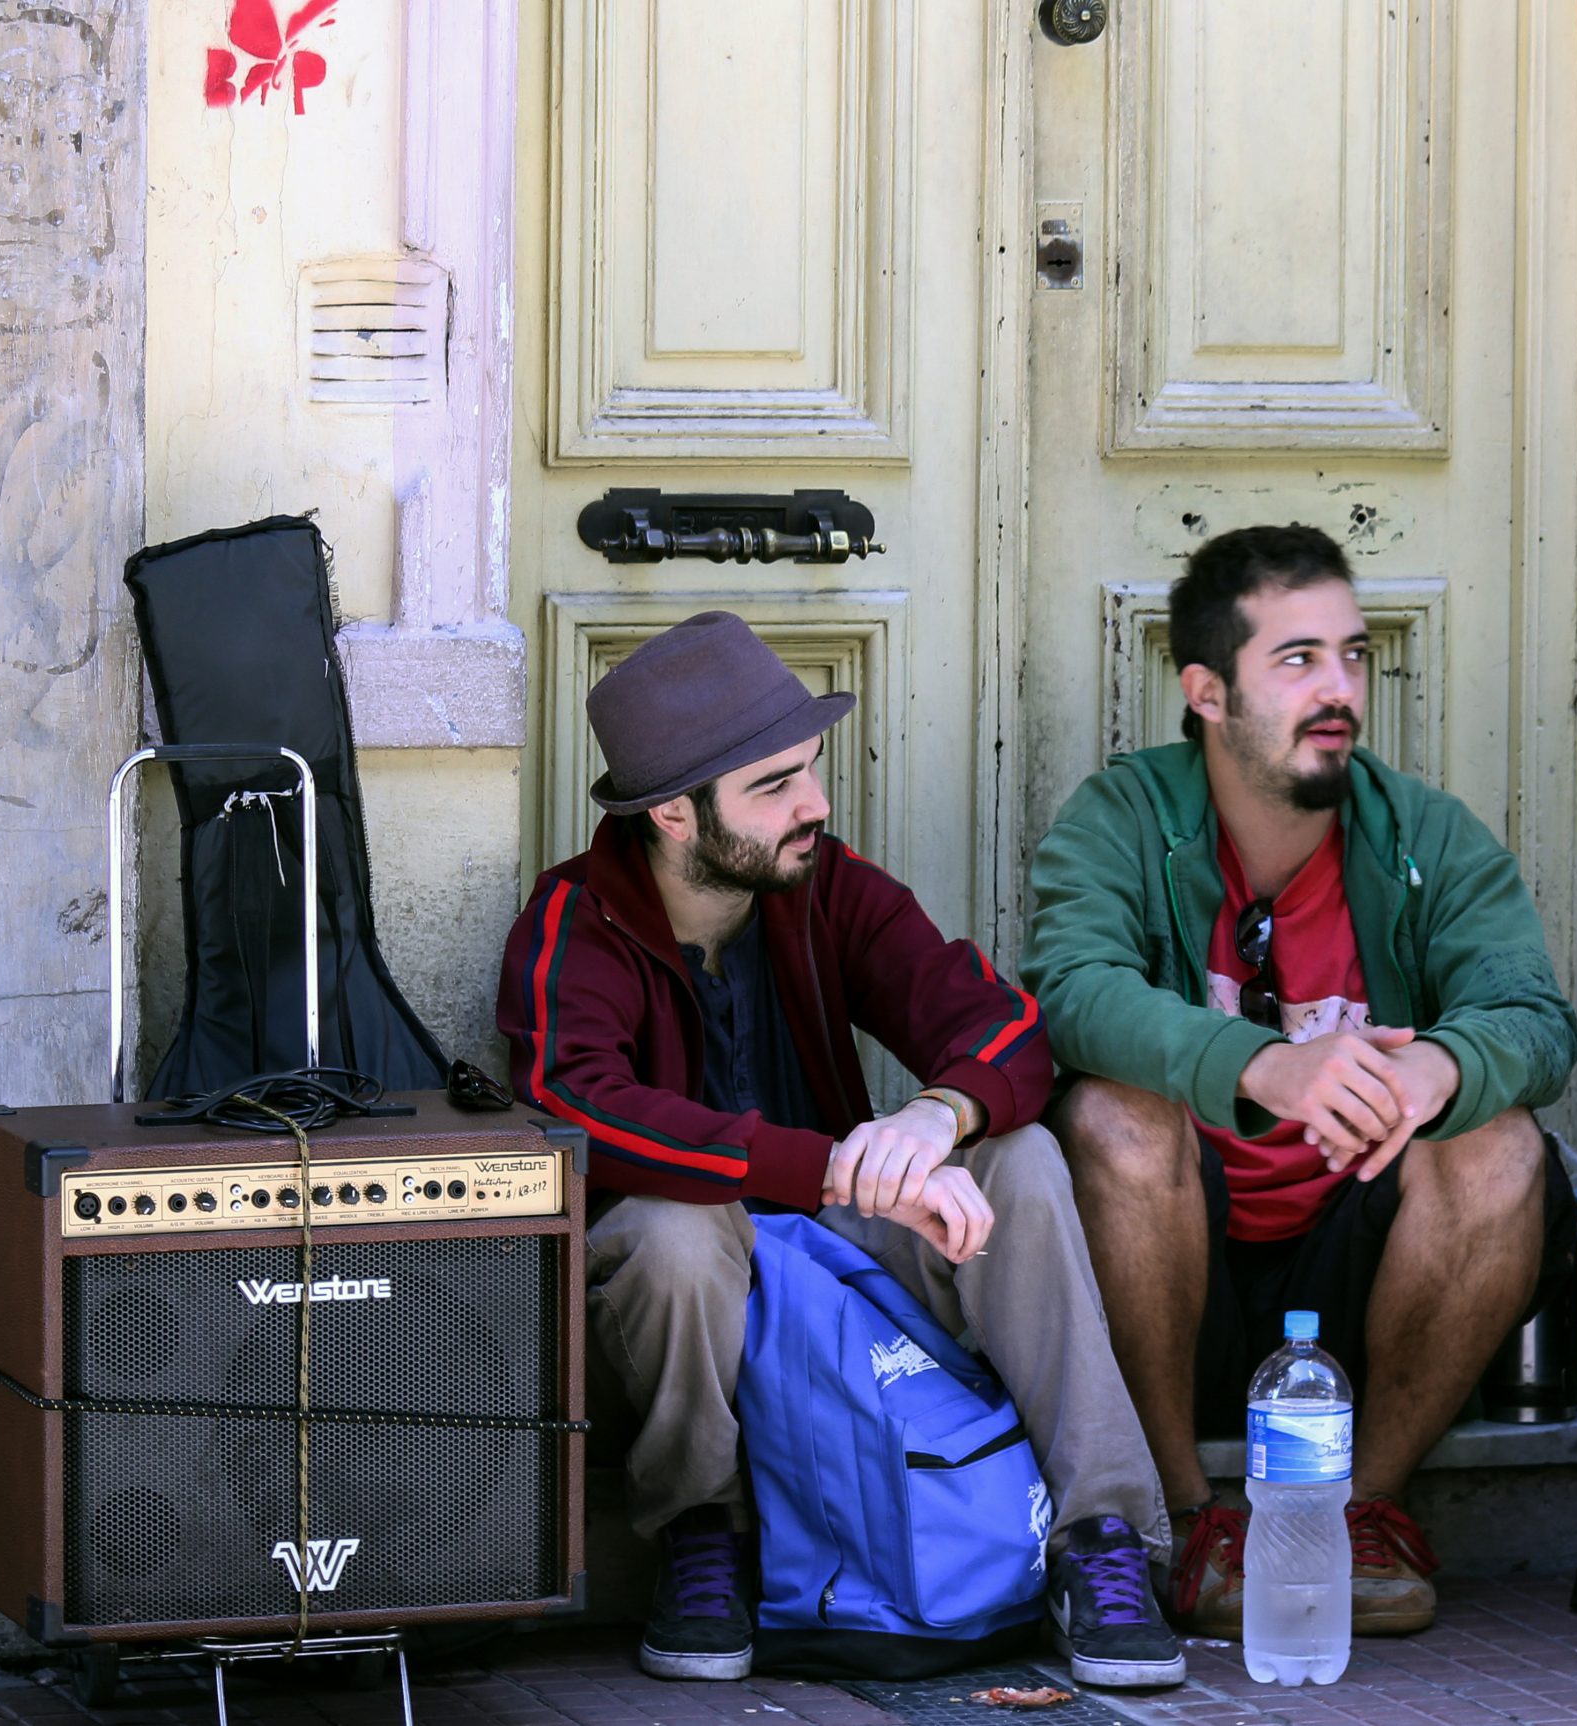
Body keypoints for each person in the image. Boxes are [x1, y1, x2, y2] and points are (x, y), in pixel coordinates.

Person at [497, 612, 1184, 1690]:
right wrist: (820, 1167)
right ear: (676, 813)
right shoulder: (575, 921)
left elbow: (1003, 1027)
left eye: (809, 772)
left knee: (1024, 1160)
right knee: (671, 1237)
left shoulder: (825, 882)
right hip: (701, 1271)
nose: (814, 804)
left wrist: (937, 1116)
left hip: (850, 1245)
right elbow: (579, 1107)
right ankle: (702, 1538)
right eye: (773, 785)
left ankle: (1102, 1541)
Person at [1023, 524, 1577, 1641]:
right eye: (1297, 660)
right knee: (1110, 1119)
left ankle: (1367, 1509)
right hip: (1178, 1271)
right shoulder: (1124, 819)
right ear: (1207, 690)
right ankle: (1179, 1515)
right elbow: (1068, 992)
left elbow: (1534, 1021)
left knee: (1500, 1141)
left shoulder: (1424, 836)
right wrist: (1265, 1064)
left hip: (1366, 1277)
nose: (1339, 690)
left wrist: (1439, 1066)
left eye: (1352, 654)